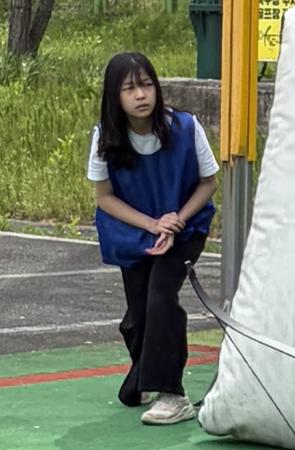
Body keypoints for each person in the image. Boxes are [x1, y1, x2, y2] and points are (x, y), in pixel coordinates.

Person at [88, 53, 216, 426]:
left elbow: (208, 183)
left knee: (161, 296)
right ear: (114, 96)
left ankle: (172, 395)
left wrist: (176, 221)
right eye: (129, 88)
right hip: (134, 231)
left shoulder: (186, 127)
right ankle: (141, 376)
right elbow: (104, 197)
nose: (141, 95)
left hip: (185, 228)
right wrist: (151, 224)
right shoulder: (104, 137)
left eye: (146, 85)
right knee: (138, 317)